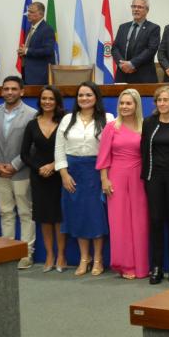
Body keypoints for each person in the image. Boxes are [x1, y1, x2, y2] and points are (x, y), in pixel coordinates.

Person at [55, 81, 112, 276]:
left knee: (95, 216)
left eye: (88, 95)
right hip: (73, 173)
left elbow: (111, 149)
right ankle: (83, 259)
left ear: (96, 97)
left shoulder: (107, 118)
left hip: (96, 172)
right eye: (80, 95)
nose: (84, 98)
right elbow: (59, 148)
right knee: (78, 215)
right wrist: (63, 173)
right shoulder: (67, 119)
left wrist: (105, 175)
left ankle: (98, 259)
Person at [97, 89, 149, 281]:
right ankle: (125, 265)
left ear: (136, 105)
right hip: (116, 178)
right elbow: (103, 156)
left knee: (140, 223)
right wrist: (104, 179)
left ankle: (141, 266)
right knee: (119, 223)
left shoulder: (145, 126)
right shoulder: (111, 127)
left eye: (129, 103)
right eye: (122, 103)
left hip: (139, 179)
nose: (124, 107)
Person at [0, 75, 37, 269]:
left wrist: (16, 164)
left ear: (22, 91)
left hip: (21, 172)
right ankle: (7, 253)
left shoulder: (31, 113)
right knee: (5, 213)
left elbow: (33, 145)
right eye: (6, 89)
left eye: (13, 89)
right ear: (1, 91)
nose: (9, 92)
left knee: (26, 213)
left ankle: (26, 254)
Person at [142, 86, 169, 283]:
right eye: (159, 100)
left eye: (165, 100)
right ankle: (157, 265)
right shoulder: (149, 122)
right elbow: (144, 149)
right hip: (154, 177)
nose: (162, 103)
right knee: (156, 220)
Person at [22, 85, 66, 272]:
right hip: (39, 176)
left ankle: (62, 256)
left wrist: (54, 165)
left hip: (60, 174)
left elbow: (70, 148)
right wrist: (39, 168)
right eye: (44, 99)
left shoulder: (65, 120)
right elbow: (24, 154)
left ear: (57, 102)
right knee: (44, 218)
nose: (47, 102)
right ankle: (49, 255)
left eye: (51, 99)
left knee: (59, 217)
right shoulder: (32, 124)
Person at [113, 0, 162, 83]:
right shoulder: (123, 27)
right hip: (123, 75)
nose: (136, 9)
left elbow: (151, 50)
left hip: (143, 76)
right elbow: (115, 48)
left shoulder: (153, 28)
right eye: (134, 6)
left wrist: (132, 64)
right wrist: (122, 64)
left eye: (140, 7)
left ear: (147, 10)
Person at [18, 1, 56, 85]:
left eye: (31, 12)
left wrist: (27, 51)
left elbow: (48, 50)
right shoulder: (30, 29)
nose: (28, 14)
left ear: (41, 14)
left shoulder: (47, 30)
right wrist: (23, 52)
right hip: (28, 74)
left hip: (39, 77)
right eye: (28, 11)